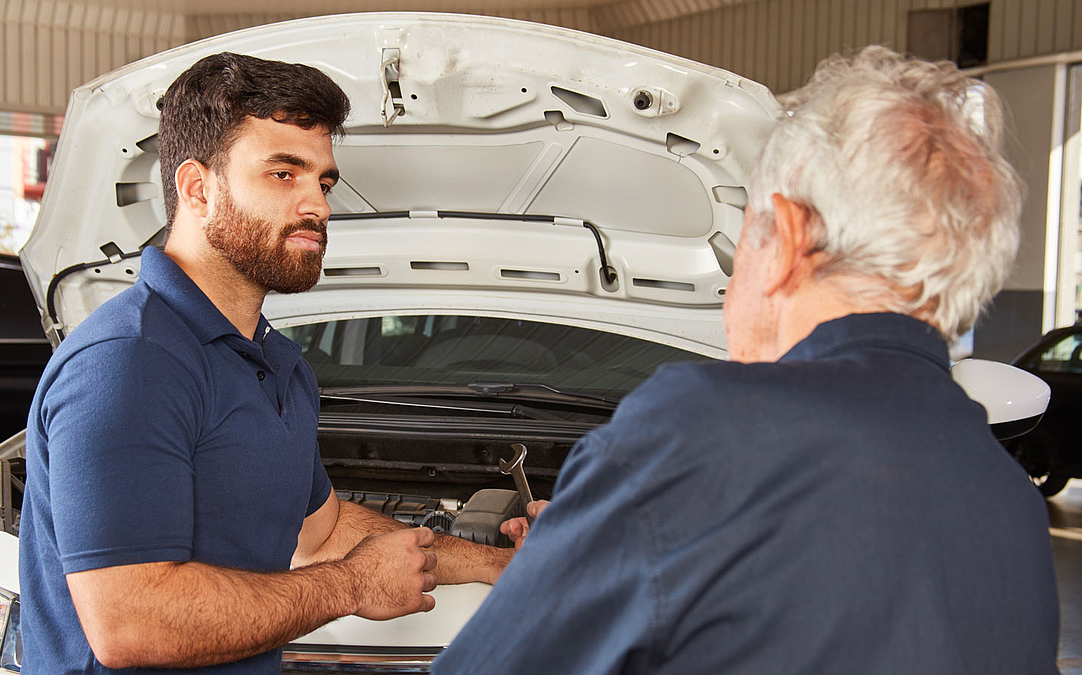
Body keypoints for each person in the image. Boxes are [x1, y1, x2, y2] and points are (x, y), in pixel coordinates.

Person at [433, 46, 1060, 674]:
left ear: (785, 236)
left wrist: (562, 568)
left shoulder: (700, 435)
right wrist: (597, 545)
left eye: (740, 246)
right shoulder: (1015, 510)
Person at [19, 52, 511, 673]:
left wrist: (507, 565)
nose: (319, 207)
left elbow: (323, 533)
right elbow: (130, 623)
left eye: (323, 182)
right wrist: (352, 587)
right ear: (197, 188)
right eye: (284, 174)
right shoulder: (128, 362)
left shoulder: (278, 364)